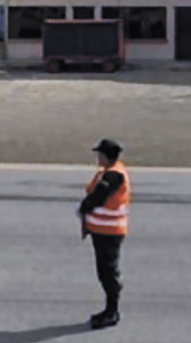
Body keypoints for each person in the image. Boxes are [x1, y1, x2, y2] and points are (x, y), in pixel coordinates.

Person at [77, 138, 131, 330]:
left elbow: (98, 197)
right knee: (105, 271)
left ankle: (112, 311)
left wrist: (84, 206)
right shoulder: (110, 171)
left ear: (107, 156)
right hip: (103, 231)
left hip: (109, 232)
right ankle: (110, 309)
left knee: (108, 272)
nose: (98, 157)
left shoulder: (113, 176)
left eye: (100, 154)